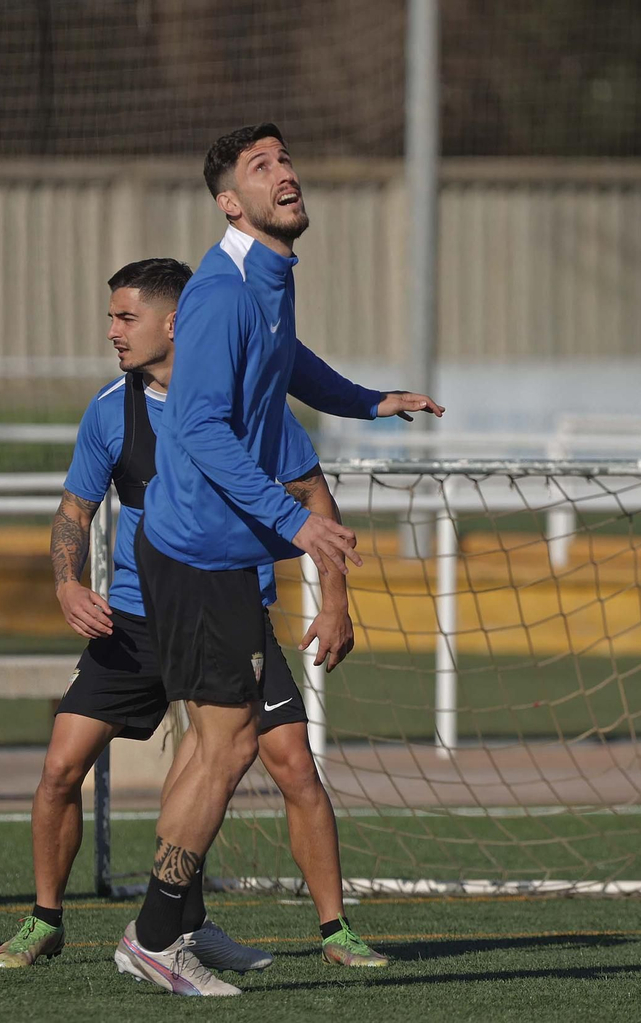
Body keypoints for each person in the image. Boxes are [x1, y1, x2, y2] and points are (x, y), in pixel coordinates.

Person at [114, 124, 443, 997]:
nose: (285, 174)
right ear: (231, 201)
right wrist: (291, 524)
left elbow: (286, 361)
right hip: (198, 550)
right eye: (262, 167)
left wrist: (370, 401)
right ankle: (154, 936)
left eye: (285, 159)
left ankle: (170, 923)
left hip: (211, 554)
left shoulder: (266, 279)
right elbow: (197, 426)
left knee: (213, 745)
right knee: (225, 746)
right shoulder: (220, 291)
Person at [0, 258, 390, 973]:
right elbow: (74, 510)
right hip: (135, 625)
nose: (112, 330)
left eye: (125, 316)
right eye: (111, 316)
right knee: (60, 766)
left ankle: (332, 933)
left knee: (292, 763)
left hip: (228, 614)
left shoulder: (249, 402)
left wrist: (335, 600)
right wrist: (67, 582)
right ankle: (45, 919)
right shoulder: (111, 408)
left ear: (175, 323)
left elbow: (312, 493)